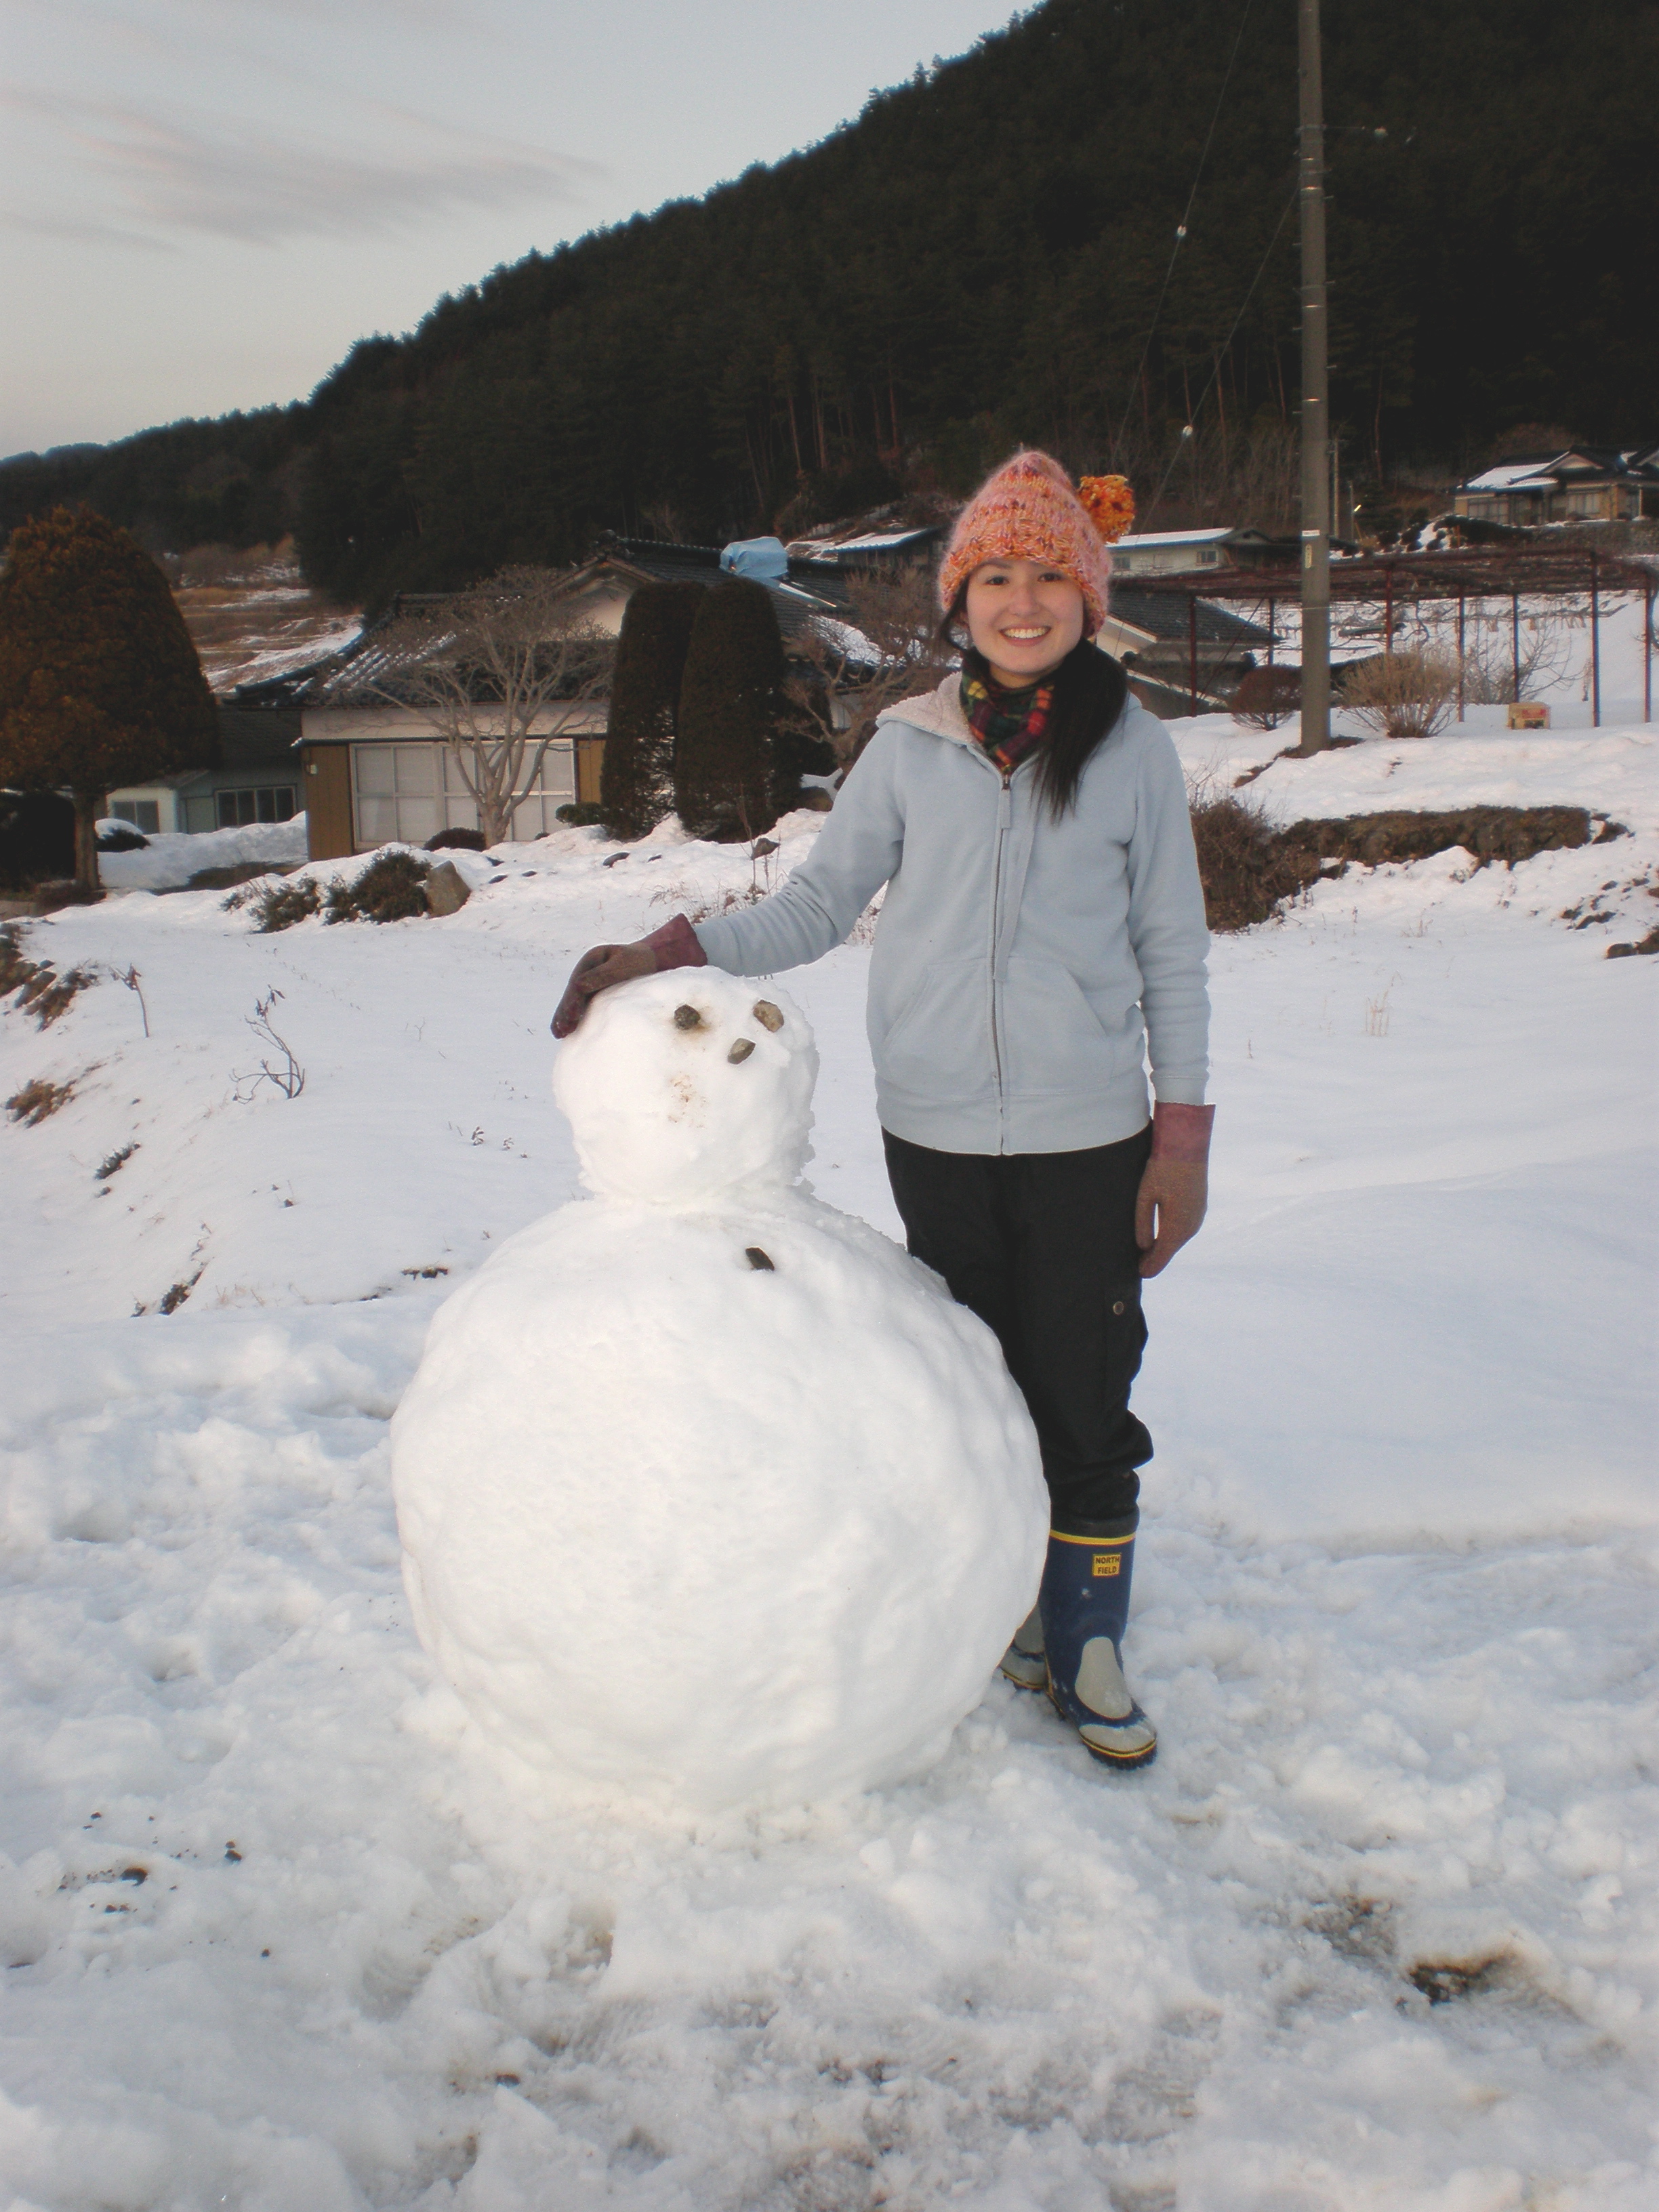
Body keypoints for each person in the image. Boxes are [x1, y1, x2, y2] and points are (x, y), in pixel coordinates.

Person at [553, 450, 1212, 1771]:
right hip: (938, 1134)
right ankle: (1005, 1603)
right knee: (971, 1383)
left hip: (1090, 1137)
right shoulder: (908, 749)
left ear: (1088, 599)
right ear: (960, 599)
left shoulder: (1134, 753)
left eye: (1049, 577)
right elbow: (813, 906)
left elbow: (1172, 956)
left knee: (1084, 1393)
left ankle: (1086, 1635)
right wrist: (671, 949)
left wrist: (1181, 1143)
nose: (1022, 602)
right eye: (996, 576)